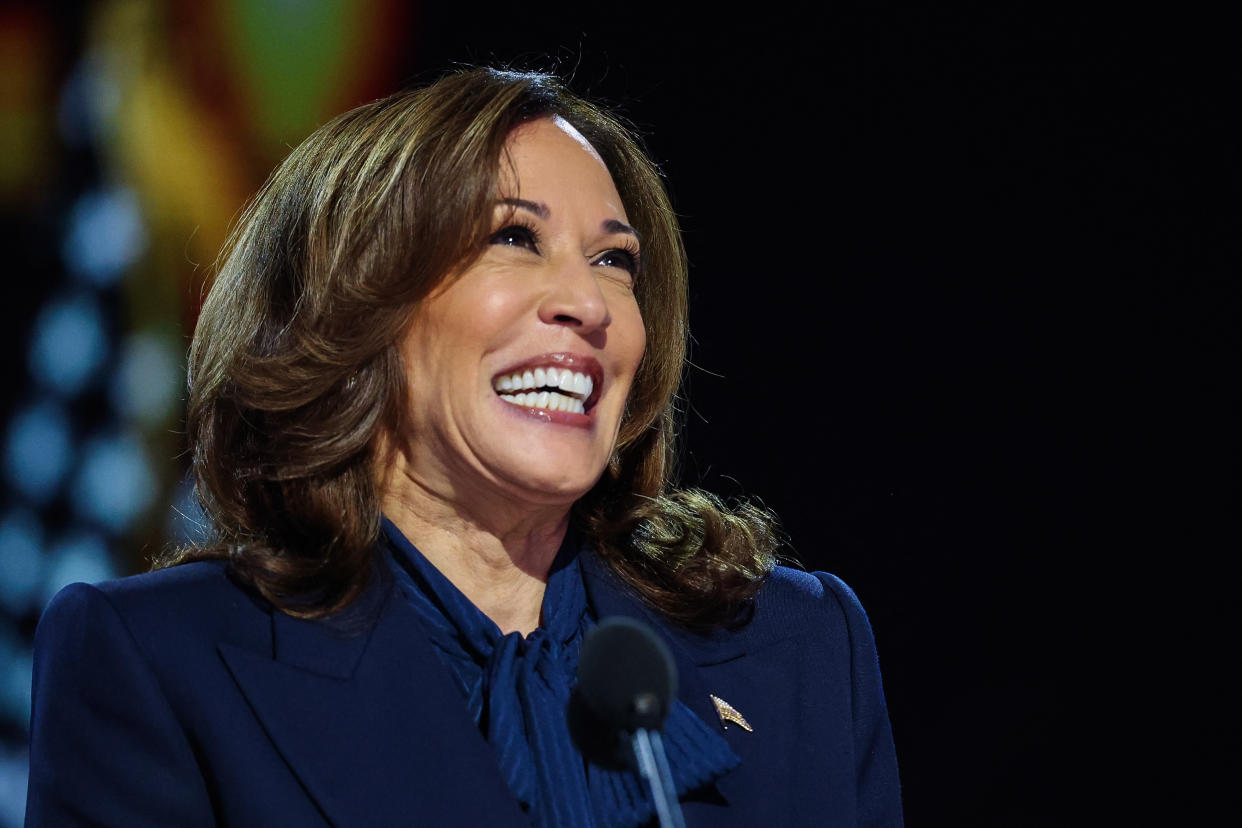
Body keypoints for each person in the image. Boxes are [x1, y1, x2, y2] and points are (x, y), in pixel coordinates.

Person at [24, 67, 902, 827]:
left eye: (615, 261)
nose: (588, 305)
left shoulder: (800, 650)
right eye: (513, 238)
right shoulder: (161, 665)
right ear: (355, 311)